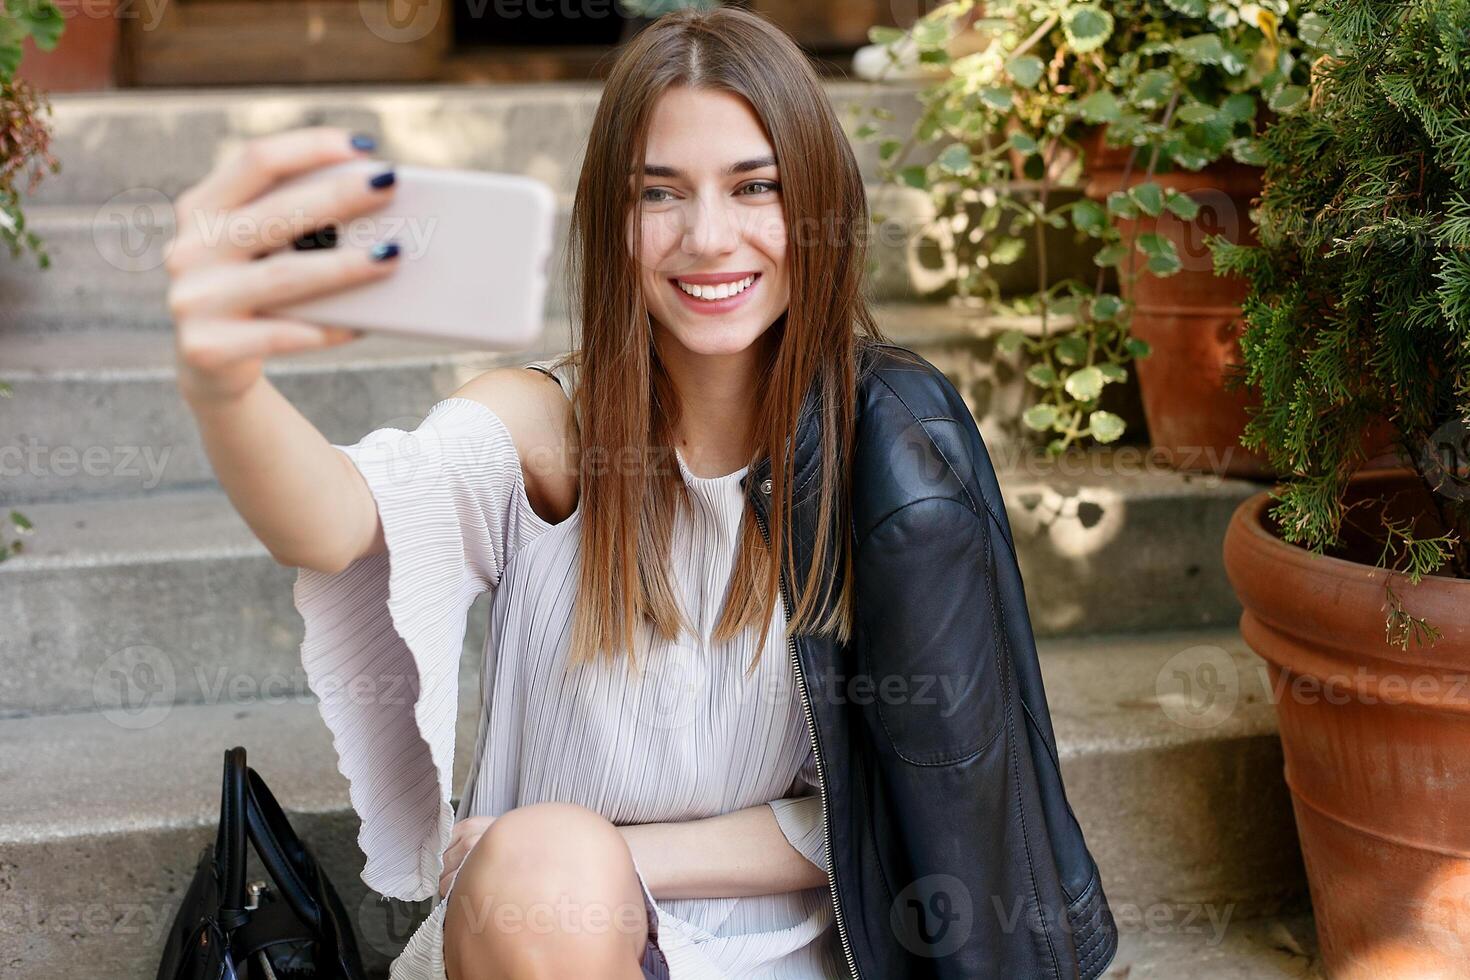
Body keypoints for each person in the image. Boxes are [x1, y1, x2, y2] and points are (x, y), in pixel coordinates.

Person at [166, 7, 1116, 980]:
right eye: (659, 193)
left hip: (802, 950)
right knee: (544, 873)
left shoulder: (888, 448)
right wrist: (224, 384)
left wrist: (611, 852)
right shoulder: (551, 429)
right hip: (547, 940)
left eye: (757, 187)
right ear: (612, 220)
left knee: (547, 857)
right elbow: (335, 519)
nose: (709, 238)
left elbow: (911, 806)